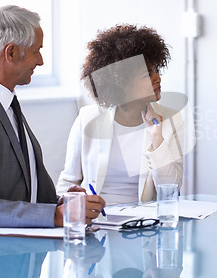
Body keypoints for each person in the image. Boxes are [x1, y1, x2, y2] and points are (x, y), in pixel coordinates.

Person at [0, 5, 105, 231]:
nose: (41, 61)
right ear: (11, 52)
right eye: (37, 50)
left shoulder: (5, 101)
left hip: (9, 246)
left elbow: (19, 190)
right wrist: (54, 215)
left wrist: (62, 203)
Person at [56, 24, 184, 205]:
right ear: (121, 81)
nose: (157, 78)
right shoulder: (88, 118)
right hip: (95, 222)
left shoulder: (171, 120)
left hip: (142, 226)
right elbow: (67, 183)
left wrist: (157, 139)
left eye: (157, 70)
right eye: (147, 73)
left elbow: (171, 189)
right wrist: (70, 207)